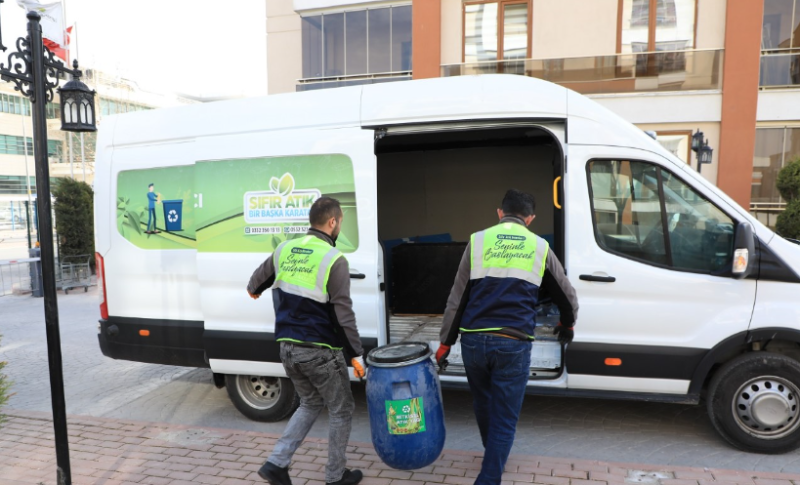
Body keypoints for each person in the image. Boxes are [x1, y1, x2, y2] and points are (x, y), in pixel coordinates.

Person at [436, 189, 579, 485]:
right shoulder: (539, 246)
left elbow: (457, 298)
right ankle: (490, 476)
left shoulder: (477, 241)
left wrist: (445, 342)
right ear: (531, 218)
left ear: (500, 213)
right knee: (505, 417)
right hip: (513, 343)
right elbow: (567, 296)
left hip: (474, 342)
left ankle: (494, 453)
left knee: (483, 403)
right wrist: (568, 324)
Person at [247, 196, 365, 485]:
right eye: (340, 222)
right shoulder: (334, 259)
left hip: (287, 349)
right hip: (319, 351)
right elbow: (343, 314)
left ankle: (276, 463)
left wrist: (259, 293)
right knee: (341, 409)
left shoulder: (284, 249)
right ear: (333, 222)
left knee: (311, 402)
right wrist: (356, 355)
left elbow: (253, 286)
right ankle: (335, 476)